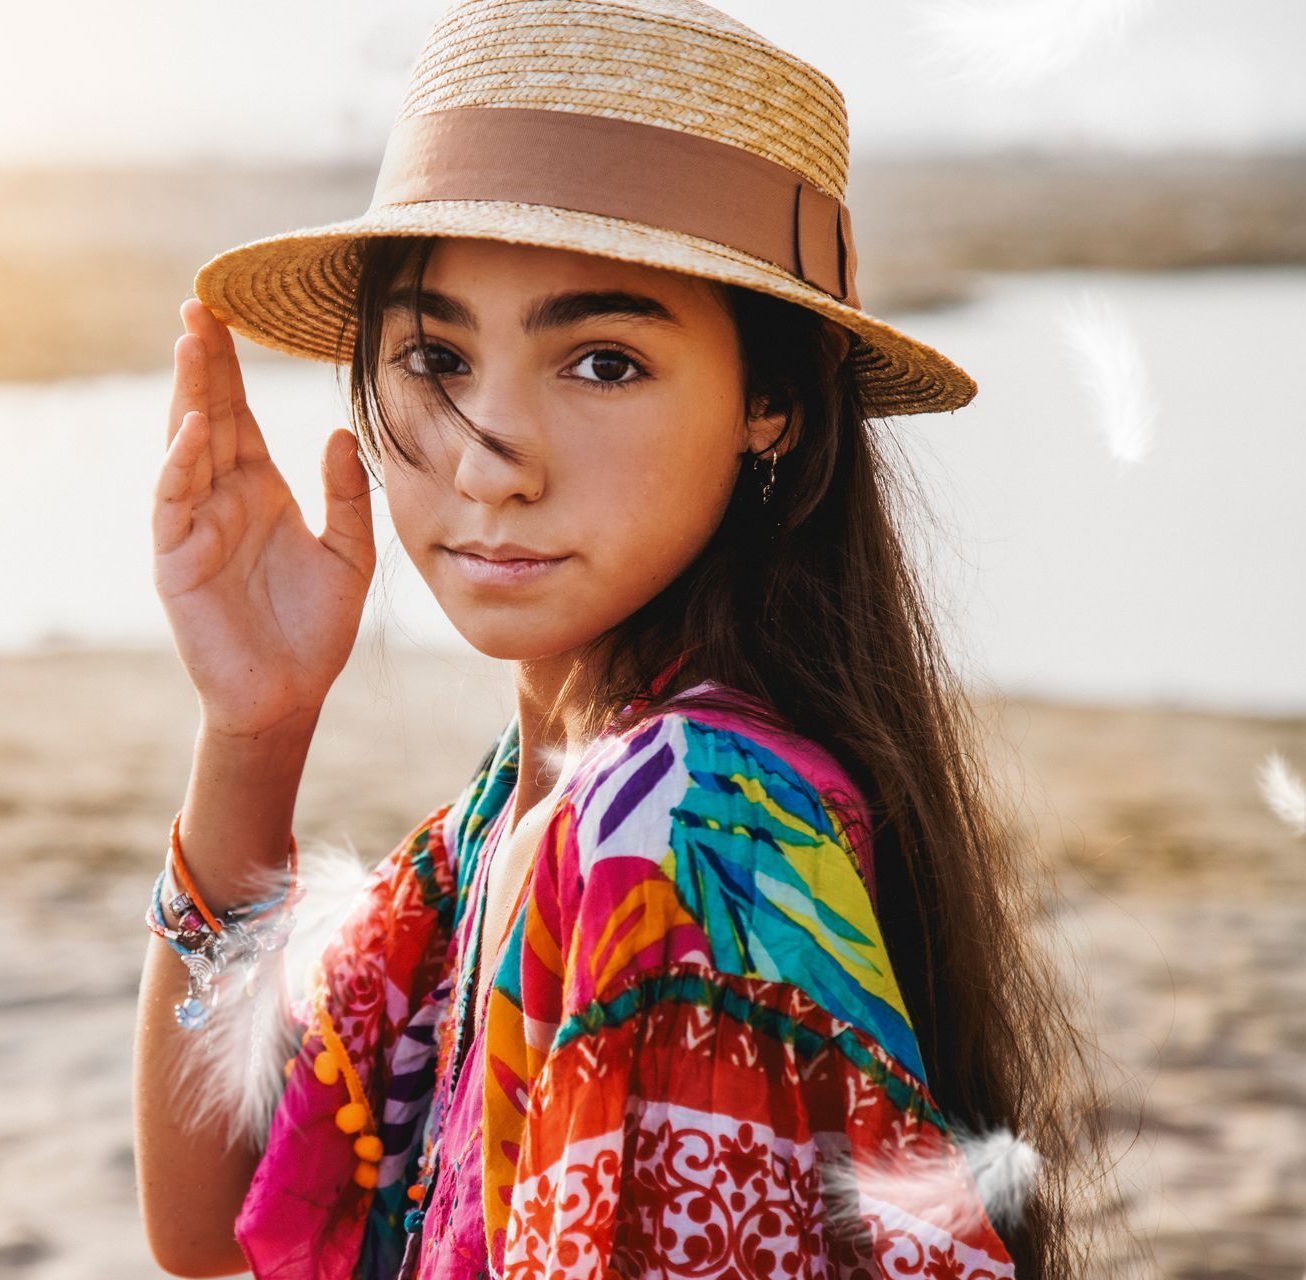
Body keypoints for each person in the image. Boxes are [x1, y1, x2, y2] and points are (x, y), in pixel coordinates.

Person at [133, 1, 1111, 1276]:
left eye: (600, 362)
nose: (492, 458)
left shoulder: (677, 825)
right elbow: (216, 1223)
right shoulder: (509, 815)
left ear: (770, 402)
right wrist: (254, 728)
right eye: (435, 355)